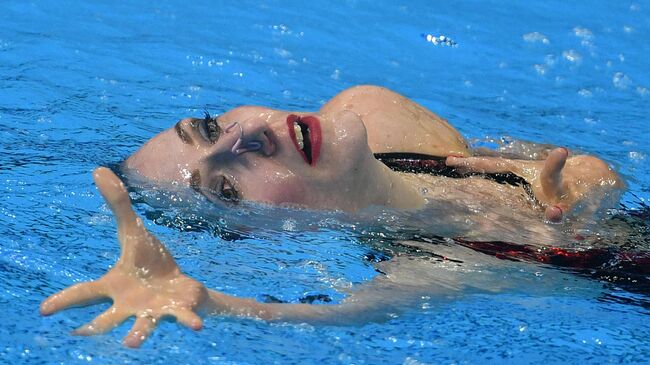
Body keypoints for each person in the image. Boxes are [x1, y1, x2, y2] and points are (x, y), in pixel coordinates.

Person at [40, 85, 623, 347]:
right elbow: (335, 317)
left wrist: (545, 175)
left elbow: (595, 173)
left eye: (212, 126)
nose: (247, 136)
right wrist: (206, 301)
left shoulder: (375, 111)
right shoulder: (435, 264)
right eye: (226, 186)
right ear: (269, 234)